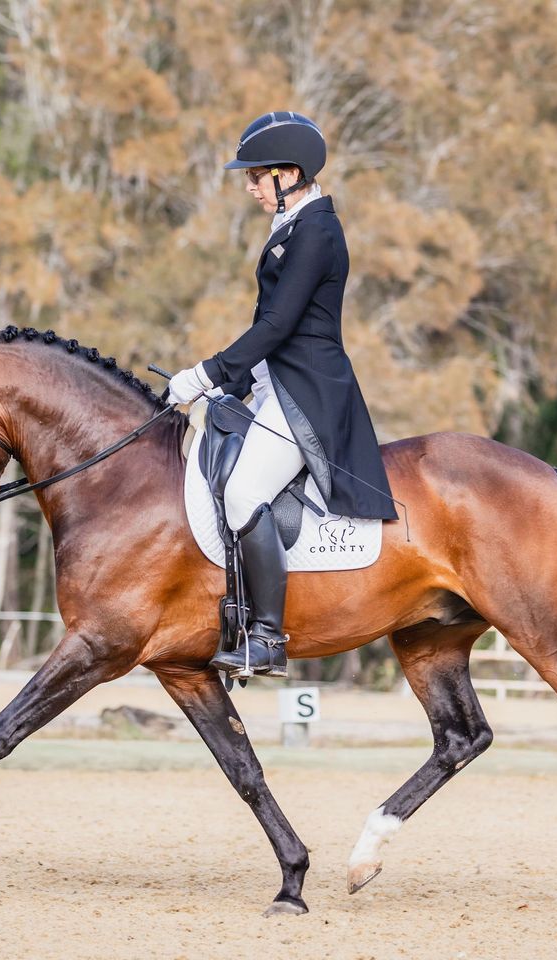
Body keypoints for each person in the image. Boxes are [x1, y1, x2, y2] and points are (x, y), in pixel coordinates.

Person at [169, 111, 397, 679]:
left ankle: (266, 637)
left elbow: (279, 325)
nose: (249, 186)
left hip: (310, 393)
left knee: (245, 493)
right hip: (279, 382)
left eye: (256, 175)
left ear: (289, 173)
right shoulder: (292, 224)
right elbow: (269, 324)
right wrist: (236, 384)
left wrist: (206, 373)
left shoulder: (317, 230)